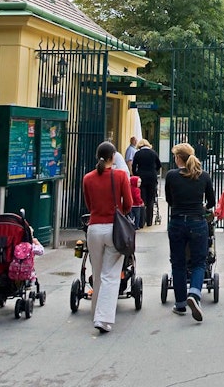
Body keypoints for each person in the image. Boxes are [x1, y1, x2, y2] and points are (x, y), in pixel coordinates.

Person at [82, 141, 133, 334]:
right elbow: (128, 204)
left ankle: (96, 312)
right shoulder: (120, 176)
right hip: (114, 228)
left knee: (97, 273)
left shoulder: (87, 178)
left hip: (94, 228)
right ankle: (102, 319)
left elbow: (89, 204)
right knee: (111, 275)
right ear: (113, 157)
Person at [166, 142, 215, 322]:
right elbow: (211, 201)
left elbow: (170, 200)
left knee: (178, 263)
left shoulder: (171, 176)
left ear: (178, 158)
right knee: (199, 262)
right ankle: (194, 294)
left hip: (177, 221)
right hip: (197, 222)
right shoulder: (203, 176)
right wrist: (201, 207)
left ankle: (180, 303)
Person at [131, 139, 162, 227]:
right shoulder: (153, 153)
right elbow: (159, 165)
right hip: (152, 177)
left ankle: (142, 221)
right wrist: (154, 171)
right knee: (151, 200)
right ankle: (149, 221)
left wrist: (137, 174)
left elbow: (133, 167)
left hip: (142, 178)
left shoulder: (138, 153)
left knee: (142, 199)